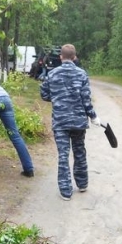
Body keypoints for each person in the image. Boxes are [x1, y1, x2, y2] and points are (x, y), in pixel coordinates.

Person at [40, 44, 100, 201]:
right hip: (78, 121)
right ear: (74, 57)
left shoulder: (52, 74)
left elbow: (44, 94)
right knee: (79, 151)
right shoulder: (81, 74)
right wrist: (93, 116)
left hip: (60, 122)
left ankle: (66, 192)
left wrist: (58, 98)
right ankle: (82, 184)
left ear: (61, 57)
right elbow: (86, 99)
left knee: (63, 155)